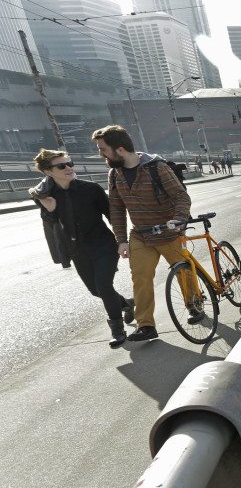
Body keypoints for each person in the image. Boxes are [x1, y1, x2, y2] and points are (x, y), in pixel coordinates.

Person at [93, 125, 193, 342]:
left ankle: (194, 305)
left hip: (168, 233)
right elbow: (117, 209)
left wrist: (178, 219)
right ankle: (146, 325)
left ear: (119, 150)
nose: (100, 154)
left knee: (183, 272)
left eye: (103, 149)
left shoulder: (157, 168)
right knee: (140, 278)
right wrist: (121, 241)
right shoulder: (114, 174)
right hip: (140, 235)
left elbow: (180, 197)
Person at [29, 149, 135, 347]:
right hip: (77, 250)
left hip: (103, 245)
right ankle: (127, 304)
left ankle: (118, 330)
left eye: (70, 163)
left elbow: (113, 215)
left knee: (104, 286)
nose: (68, 168)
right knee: (96, 291)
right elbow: (50, 225)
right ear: (48, 171)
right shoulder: (44, 195)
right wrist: (51, 210)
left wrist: (123, 240)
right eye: (62, 166)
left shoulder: (91, 188)